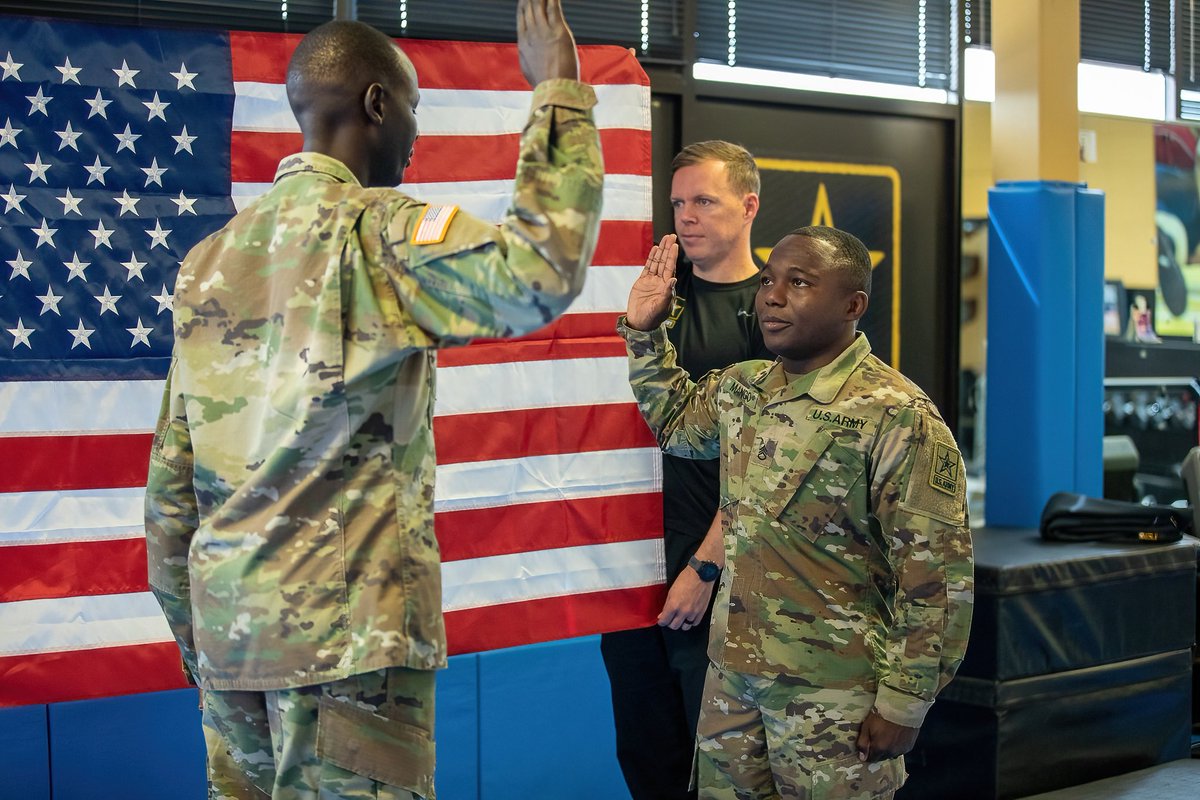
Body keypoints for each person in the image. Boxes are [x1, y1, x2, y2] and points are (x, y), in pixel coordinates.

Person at [143, 3, 603, 798]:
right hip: (347, 648)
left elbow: (170, 486)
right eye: (415, 109)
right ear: (377, 104)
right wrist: (558, 88)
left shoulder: (209, 261)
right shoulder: (381, 232)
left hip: (232, 645)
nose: (417, 137)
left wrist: (203, 642)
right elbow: (539, 272)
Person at [619, 227, 973, 799]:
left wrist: (905, 704)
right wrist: (645, 331)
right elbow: (678, 426)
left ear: (853, 305)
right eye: (767, 281)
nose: (772, 297)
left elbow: (936, 581)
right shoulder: (746, 388)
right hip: (733, 683)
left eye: (799, 283)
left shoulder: (898, 417)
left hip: (835, 698)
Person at [600, 141, 772, 800]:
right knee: (650, 767)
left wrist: (706, 567)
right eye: (678, 202)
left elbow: (767, 467)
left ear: (748, 205)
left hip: (721, 583)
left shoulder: (772, 310)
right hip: (636, 577)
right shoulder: (654, 300)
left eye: (705, 200)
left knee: (723, 780)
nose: (687, 216)